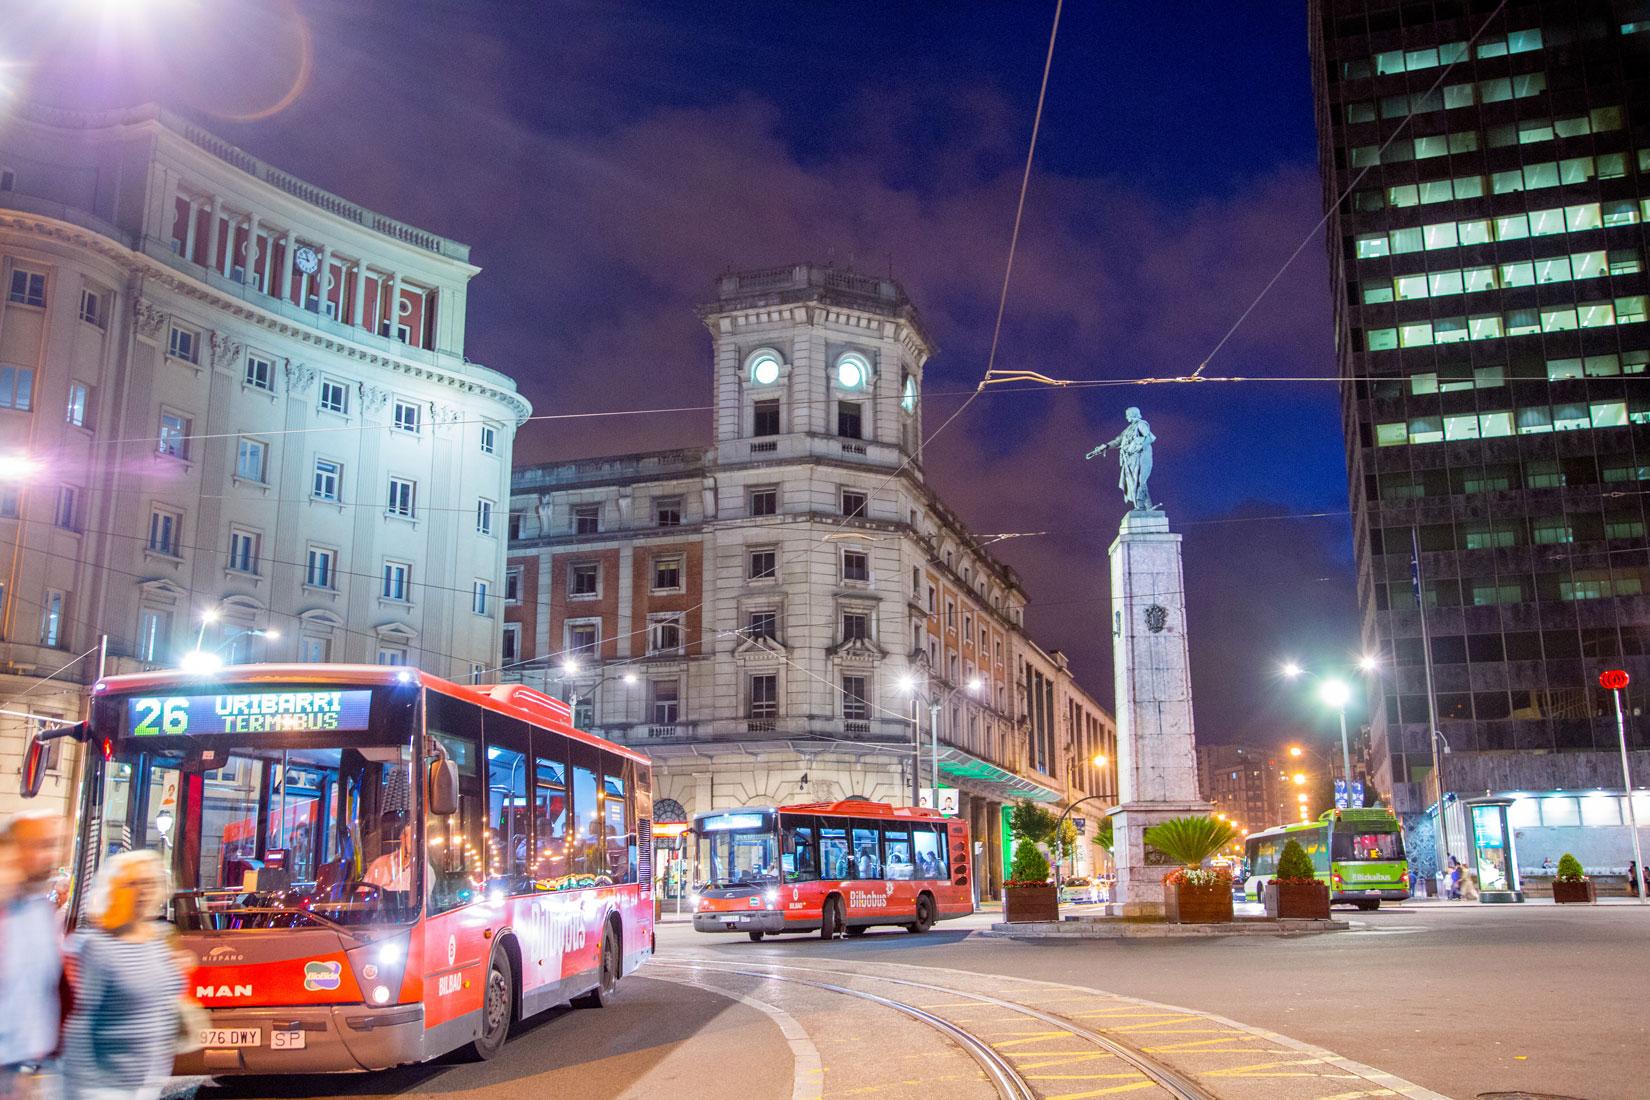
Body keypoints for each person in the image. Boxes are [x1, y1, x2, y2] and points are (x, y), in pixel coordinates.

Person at [62, 850, 189, 1100]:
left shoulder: (159, 939)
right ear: (114, 888)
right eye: (132, 883)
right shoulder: (96, 945)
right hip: (103, 1089)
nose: (142, 891)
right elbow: (78, 1027)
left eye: (149, 883)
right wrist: (84, 1090)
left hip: (146, 1084)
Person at [1, 811, 68, 1100]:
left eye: (54, 845)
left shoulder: (40, 910)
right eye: (40, 845)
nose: (50, 856)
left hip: (27, 1069)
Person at [364, 823, 414, 891]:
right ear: (402, 837)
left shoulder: (425, 872)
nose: (415, 840)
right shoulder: (379, 863)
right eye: (412, 836)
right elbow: (361, 894)